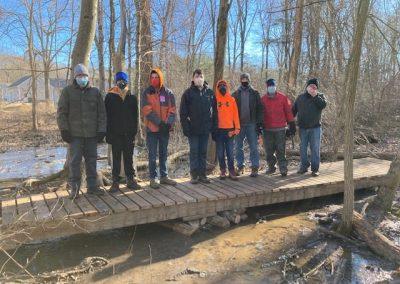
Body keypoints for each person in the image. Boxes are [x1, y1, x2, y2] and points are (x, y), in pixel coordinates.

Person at [57, 63, 106, 199]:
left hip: (92, 135)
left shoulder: (95, 92)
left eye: (84, 75)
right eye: (79, 75)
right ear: (75, 77)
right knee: (74, 162)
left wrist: (102, 131)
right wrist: (64, 130)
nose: (82, 78)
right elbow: (61, 112)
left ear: (88, 77)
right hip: (74, 135)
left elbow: (102, 113)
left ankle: (92, 187)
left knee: (92, 161)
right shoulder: (67, 91)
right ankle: (75, 189)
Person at [105, 72, 141, 192]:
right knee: (116, 158)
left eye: (123, 80)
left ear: (127, 82)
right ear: (116, 82)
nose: (121, 82)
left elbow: (135, 116)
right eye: (119, 80)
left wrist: (134, 132)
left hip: (128, 134)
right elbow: (107, 117)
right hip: (115, 134)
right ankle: (115, 182)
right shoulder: (110, 97)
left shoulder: (132, 97)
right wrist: (108, 134)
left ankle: (130, 180)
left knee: (128, 157)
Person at [141, 68, 177, 189]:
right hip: (152, 129)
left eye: (156, 77)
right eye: (152, 77)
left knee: (163, 153)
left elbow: (172, 110)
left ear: (160, 78)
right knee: (152, 155)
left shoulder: (168, 93)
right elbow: (147, 111)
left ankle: (164, 177)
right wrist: (159, 123)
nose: (154, 79)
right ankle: (152, 178)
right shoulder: (146, 92)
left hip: (165, 130)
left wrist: (167, 124)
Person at [180, 69, 214, 184]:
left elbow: (214, 111)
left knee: (203, 152)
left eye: (201, 76)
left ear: (204, 78)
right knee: (194, 152)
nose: (199, 78)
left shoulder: (209, 93)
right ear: (193, 79)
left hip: (205, 129)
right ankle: (194, 176)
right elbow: (183, 113)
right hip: (192, 130)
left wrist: (212, 126)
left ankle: (202, 175)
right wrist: (185, 128)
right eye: (197, 76)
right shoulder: (187, 93)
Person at [261, 79, 296, 177]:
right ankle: (271, 167)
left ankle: (283, 168)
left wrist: (291, 124)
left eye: (273, 85)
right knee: (269, 151)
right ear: (267, 87)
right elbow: (260, 114)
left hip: (280, 128)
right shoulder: (263, 99)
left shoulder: (283, 98)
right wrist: (259, 124)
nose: (272, 87)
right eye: (270, 85)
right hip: (267, 129)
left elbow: (288, 112)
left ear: (275, 86)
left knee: (281, 150)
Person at [293, 78, 327, 177]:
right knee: (303, 148)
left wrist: (315, 96)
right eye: (310, 86)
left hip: (315, 128)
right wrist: (288, 122)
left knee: (315, 149)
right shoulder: (300, 98)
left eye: (314, 87)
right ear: (306, 87)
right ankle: (304, 166)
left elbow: (323, 105)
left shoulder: (320, 96)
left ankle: (315, 169)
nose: (312, 88)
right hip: (303, 128)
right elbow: (293, 111)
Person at [232, 73, 263, 177]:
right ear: (240, 80)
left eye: (246, 79)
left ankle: (254, 167)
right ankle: (240, 166)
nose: (244, 81)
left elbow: (260, 110)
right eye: (243, 79)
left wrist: (259, 125)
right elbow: (231, 110)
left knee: (253, 146)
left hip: (252, 124)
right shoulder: (235, 94)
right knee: (238, 147)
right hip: (239, 125)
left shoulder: (255, 93)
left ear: (249, 80)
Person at [212, 80, 240, 180]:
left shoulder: (232, 99)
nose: (222, 87)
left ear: (227, 87)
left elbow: (235, 114)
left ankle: (231, 171)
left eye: (224, 85)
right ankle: (223, 170)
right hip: (219, 130)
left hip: (230, 130)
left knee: (230, 152)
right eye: (220, 86)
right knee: (220, 152)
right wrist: (213, 130)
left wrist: (237, 127)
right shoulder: (214, 100)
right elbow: (212, 116)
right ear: (217, 87)